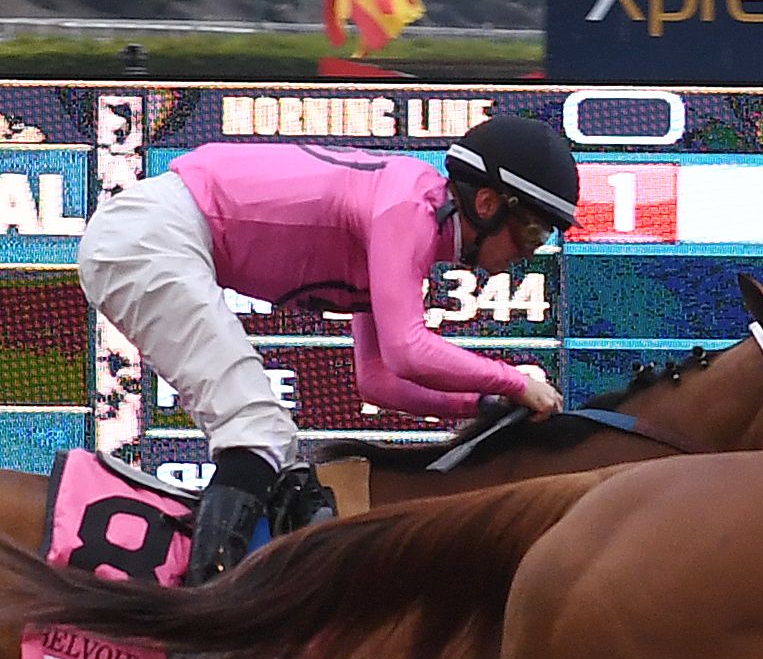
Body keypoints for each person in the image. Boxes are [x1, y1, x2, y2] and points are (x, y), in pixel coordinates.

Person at [75, 113, 579, 582]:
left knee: (293, 478)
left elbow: (377, 381)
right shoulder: (409, 208)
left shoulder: (410, 215)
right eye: (532, 232)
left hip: (155, 237)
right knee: (258, 434)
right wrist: (513, 381)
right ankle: (200, 627)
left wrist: (480, 405)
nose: (528, 254)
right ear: (488, 204)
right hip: (150, 237)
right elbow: (408, 350)